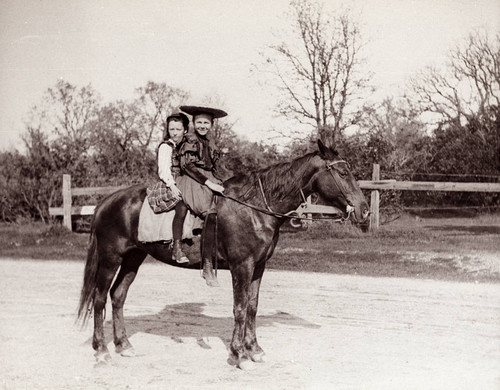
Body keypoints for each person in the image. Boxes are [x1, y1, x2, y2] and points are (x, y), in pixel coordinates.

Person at [176, 105, 227, 287]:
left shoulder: (210, 143)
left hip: (207, 178)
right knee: (210, 212)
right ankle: (206, 264)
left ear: (211, 125)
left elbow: (212, 167)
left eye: (206, 122)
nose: (202, 125)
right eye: (199, 122)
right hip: (191, 179)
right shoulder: (190, 140)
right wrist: (209, 183)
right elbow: (188, 166)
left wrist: (220, 180)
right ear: (193, 123)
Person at [147, 109, 191, 263]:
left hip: (186, 181)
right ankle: (177, 248)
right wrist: (172, 186)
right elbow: (163, 170)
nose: (174, 133)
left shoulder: (187, 146)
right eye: (171, 129)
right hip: (170, 183)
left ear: (185, 130)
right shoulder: (166, 147)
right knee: (182, 205)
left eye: (178, 129)